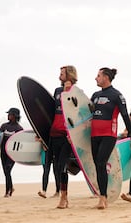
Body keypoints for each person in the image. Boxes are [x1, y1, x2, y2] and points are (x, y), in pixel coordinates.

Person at [91, 67, 131, 209]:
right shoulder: (95, 95)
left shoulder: (117, 95)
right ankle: (103, 196)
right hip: (94, 135)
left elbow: (125, 116)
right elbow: (86, 116)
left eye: (98, 75)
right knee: (98, 166)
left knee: (101, 163)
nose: (96, 78)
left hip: (108, 135)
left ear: (106, 77)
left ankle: (103, 198)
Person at [50, 65, 77, 208]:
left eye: (62, 74)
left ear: (69, 75)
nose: (59, 76)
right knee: (57, 166)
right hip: (55, 132)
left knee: (62, 165)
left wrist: (73, 134)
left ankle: (64, 197)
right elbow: (52, 111)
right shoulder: (57, 91)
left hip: (68, 135)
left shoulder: (77, 92)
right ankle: (63, 196)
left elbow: (79, 114)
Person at [0, 107, 23, 197]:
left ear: (15, 116)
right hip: (3, 152)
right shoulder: (4, 126)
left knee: (8, 170)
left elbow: (20, 144)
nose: (8, 116)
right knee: (6, 171)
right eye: (8, 114)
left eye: (10, 114)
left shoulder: (19, 129)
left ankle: (7, 192)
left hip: (12, 153)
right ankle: (11, 187)